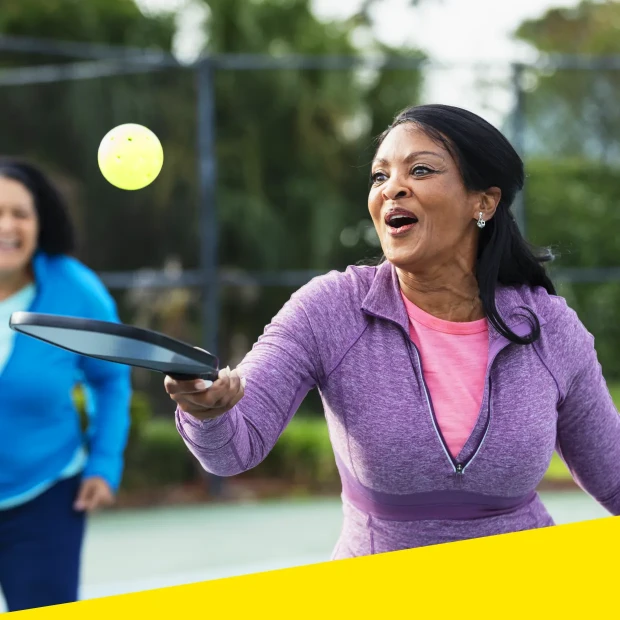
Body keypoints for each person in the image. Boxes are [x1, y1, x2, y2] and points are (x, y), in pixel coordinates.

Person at [165, 104, 620, 557]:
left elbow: (614, 478)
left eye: (420, 170)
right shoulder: (330, 309)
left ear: (483, 202)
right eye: (380, 176)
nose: (392, 189)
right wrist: (207, 411)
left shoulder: (550, 328)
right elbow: (232, 451)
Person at [0, 159, 132, 610]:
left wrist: (104, 461)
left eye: (21, 213)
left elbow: (111, 378)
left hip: (45, 499)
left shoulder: (74, 290)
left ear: (40, 223)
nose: (7, 226)